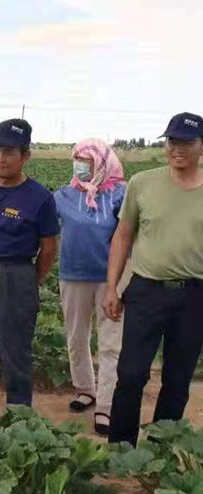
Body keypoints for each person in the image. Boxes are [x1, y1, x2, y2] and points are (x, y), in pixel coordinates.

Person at [104, 112, 203, 447]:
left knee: (177, 379)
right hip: (146, 290)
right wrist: (112, 286)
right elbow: (122, 236)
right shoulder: (142, 183)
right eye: (172, 141)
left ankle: (161, 451)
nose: (177, 148)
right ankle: (121, 448)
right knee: (131, 373)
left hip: (195, 295)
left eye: (186, 142)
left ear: (201, 146)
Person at [0, 119, 60, 416]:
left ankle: (19, 416)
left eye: (9, 152)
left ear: (25, 155)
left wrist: (29, 278)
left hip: (18, 274)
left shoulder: (39, 197)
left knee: (15, 351)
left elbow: (49, 247)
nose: (0, 159)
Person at [54, 139, 127, 435]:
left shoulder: (121, 194)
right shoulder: (63, 195)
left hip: (112, 279)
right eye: (77, 160)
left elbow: (130, 234)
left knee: (111, 342)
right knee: (76, 336)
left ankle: (106, 406)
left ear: (103, 163)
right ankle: (86, 388)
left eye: (87, 161)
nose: (80, 166)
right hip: (73, 275)